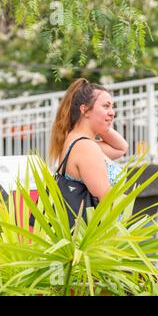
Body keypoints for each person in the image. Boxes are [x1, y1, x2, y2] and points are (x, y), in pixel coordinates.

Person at [48, 78, 128, 225]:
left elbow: (121, 148)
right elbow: (107, 201)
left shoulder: (76, 142)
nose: (112, 113)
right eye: (106, 106)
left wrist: (101, 123)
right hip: (98, 239)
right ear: (84, 110)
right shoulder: (86, 148)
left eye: (112, 107)